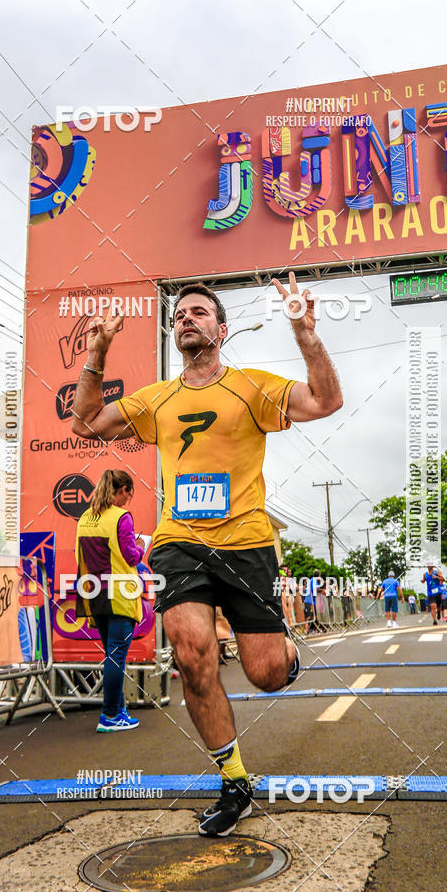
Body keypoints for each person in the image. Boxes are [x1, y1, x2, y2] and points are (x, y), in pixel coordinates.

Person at [71, 272, 343, 837]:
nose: (185, 320)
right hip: (180, 543)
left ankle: (285, 653)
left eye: (197, 312)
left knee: (266, 674)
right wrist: (97, 351)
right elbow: (87, 421)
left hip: (246, 544)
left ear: (221, 328)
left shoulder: (251, 387)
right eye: (178, 316)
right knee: (193, 654)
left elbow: (325, 400)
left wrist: (306, 334)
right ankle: (234, 780)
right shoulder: (157, 399)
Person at [74, 469, 145, 732]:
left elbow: (78, 554)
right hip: (119, 595)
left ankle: (119, 711)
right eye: (129, 494)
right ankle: (110, 715)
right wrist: (141, 546)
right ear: (123, 490)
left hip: (93, 594)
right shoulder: (121, 517)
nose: (128, 500)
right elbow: (130, 556)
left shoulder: (85, 517)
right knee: (116, 657)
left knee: (111, 655)